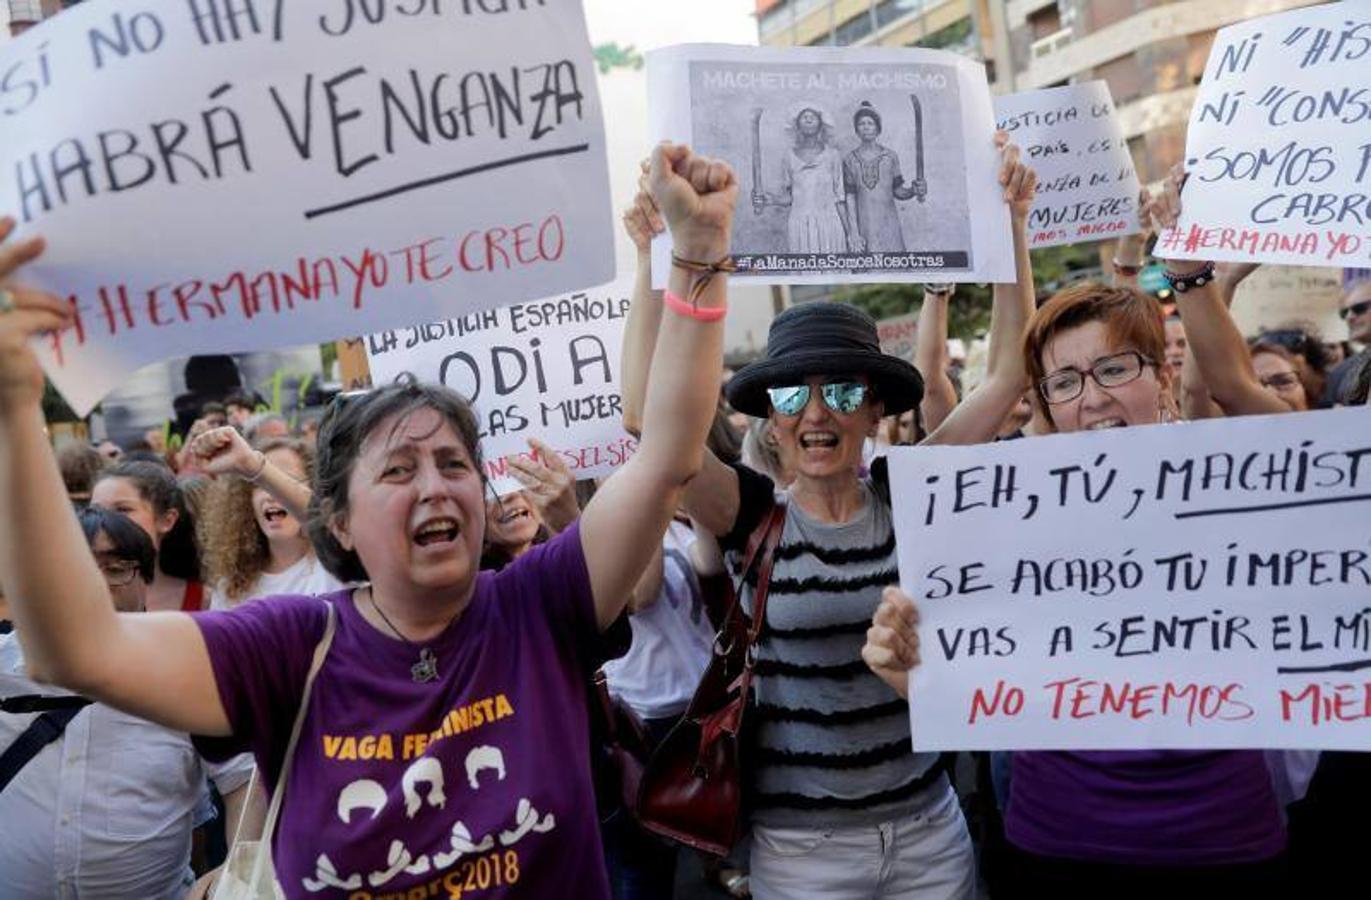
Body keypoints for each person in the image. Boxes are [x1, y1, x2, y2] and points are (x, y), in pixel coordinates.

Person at [0, 142, 735, 898]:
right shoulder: (287, 648)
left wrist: (698, 254)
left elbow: (666, 456)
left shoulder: (538, 605)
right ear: (340, 523)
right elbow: (75, 651)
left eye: (454, 465)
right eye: (397, 470)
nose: (435, 487)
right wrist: (15, 410)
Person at [624, 133, 1036, 899]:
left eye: (843, 392)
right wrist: (664, 262)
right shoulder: (748, 514)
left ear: (875, 408)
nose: (816, 412)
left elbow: (1010, 373)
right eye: (792, 396)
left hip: (927, 830)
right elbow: (649, 424)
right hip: (800, 848)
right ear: (771, 421)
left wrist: (1010, 220)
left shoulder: (907, 491)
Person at [864, 279, 1289, 893]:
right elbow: (979, 688)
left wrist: (1200, 279)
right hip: (1058, 835)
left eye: (1113, 368)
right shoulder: (1002, 517)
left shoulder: (1237, 490)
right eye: (1064, 383)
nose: (1090, 398)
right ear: (1047, 406)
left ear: (1162, 377)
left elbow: (1240, 396)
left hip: (1223, 831)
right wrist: (907, 671)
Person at [0, 506, 260, 898]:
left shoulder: (189, 673)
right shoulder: (3, 665)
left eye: (117, 567)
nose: (96, 584)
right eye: (76, 567)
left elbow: (246, 779)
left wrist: (234, 870)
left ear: (147, 580)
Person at [198, 433, 342, 609]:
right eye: (258, 485)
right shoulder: (230, 587)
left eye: (286, 480)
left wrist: (253, 466)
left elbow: (328, 521)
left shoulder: (339, 565)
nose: (271, 494)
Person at [90, 459, 206, 612]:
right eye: (96, 510)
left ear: (166, 520)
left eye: (123, 510)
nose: (106, 520)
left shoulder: (205, 599)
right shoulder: (77, 593)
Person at [755, 105, 855, 253]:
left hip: (829, 224)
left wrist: (851, 233)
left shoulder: (833, 156)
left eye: (813, 117)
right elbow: (790, 198)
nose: (808, 119)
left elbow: (839, 198)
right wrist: (769, 199)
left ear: (821, 125)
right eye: (804, 117)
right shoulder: (789, 157)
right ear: (798, 126)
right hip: (799, 225)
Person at [843, 101, 922, 253]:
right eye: (861, 123)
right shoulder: (850, 160)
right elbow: (850, 197)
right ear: (856, 129)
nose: (866, 126)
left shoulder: (890, 157)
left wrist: (913, 190)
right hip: (864, 225)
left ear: (878, 128)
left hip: (888, 224)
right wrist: (854, 232)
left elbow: (898, 191)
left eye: (870, 123)